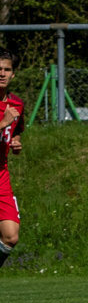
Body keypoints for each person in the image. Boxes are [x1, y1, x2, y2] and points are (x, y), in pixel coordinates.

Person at [0, 50, 24, 269]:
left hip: (1, 176)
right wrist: (3, 122)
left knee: (11, 236)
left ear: (13, 74)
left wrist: (15, 142)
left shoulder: (16, 104)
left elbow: (16, 131)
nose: (2, 74)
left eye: (6, 69)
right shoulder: (8, 113)